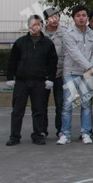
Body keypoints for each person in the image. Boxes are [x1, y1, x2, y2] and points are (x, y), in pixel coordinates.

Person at [6, 15, 58, 146]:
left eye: (38, 24)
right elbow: (12, 61)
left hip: (39, 82)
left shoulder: (48, 43)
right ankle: (14, 136)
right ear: (29, 26)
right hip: (21, 82)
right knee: (17, 110)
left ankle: (38, 135)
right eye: (33, 24)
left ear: (42, 26)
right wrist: (10, 78)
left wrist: (50, 79)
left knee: (39, 110)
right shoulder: (20, 42)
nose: (36, 27)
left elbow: (52, 63)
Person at [58, 5, 93, 145]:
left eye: (84, 15)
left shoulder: (92, 34)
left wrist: (90, 68)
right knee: (67, 104)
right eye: (78, 15)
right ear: (73, 18)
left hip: (87, 74)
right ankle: (65, 134)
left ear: (87, 17)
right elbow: (74, 53)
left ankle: (86, 133)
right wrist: (90, 67)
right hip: (71, 72)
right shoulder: (68, 33)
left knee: (86, 104)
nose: (81, 18)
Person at [42, 7, 66, 138]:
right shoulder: (40, 34)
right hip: (43, 75)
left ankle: (61, 130)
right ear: (46, 19)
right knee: (41, 104)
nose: (55, 19)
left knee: (60, 104)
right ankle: (42, 130)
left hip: (60, 74)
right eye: (52, 17)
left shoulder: (65, 33)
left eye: (57, 16)